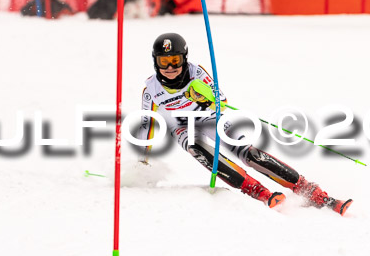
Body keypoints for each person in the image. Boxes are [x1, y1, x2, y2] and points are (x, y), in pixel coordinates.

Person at [137, 33, 353, 215]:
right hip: (183, 127)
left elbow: (222, 100)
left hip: (210, 118)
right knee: (198, 149)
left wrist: (206, 99)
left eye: (175, 60)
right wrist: (143, 160)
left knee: (249, 154)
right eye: (163, 61)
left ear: (184, 58)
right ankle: (257, 191)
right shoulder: (151, 90)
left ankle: (311, 192)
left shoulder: (197, 73)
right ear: (155, 61)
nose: (170, 67)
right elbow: (147, 124)